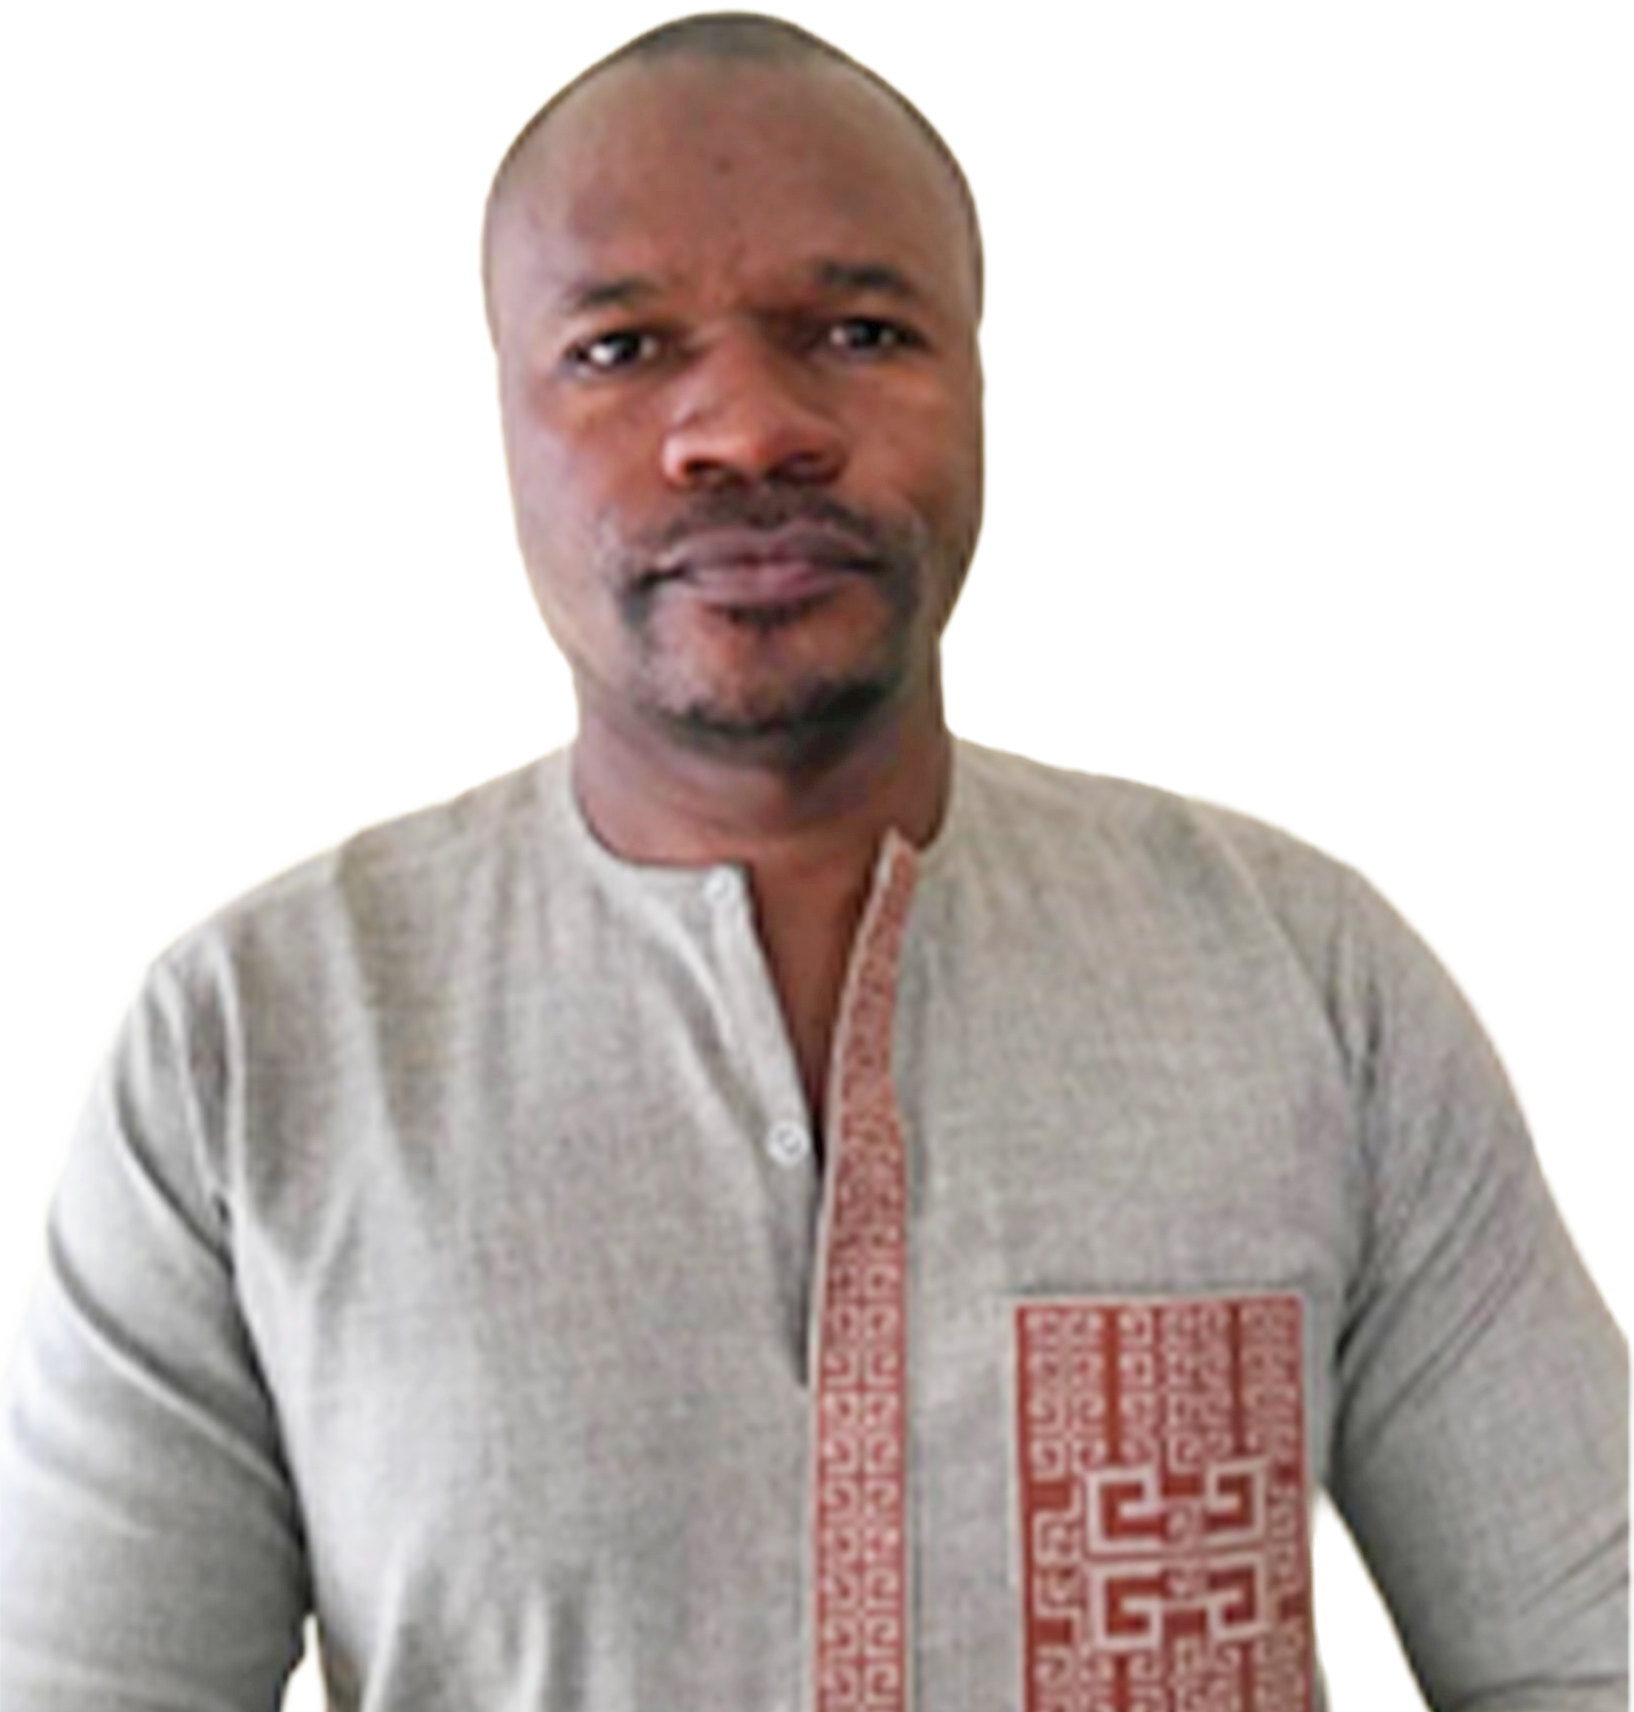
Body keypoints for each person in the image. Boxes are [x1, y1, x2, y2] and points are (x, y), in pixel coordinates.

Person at [1, 12, 1630, 1712]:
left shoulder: (1303, 984)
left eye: (858, 331)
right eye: (620, 349)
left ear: (979, 386)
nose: (747, 430)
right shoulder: (253, 1050)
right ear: (501, 424)